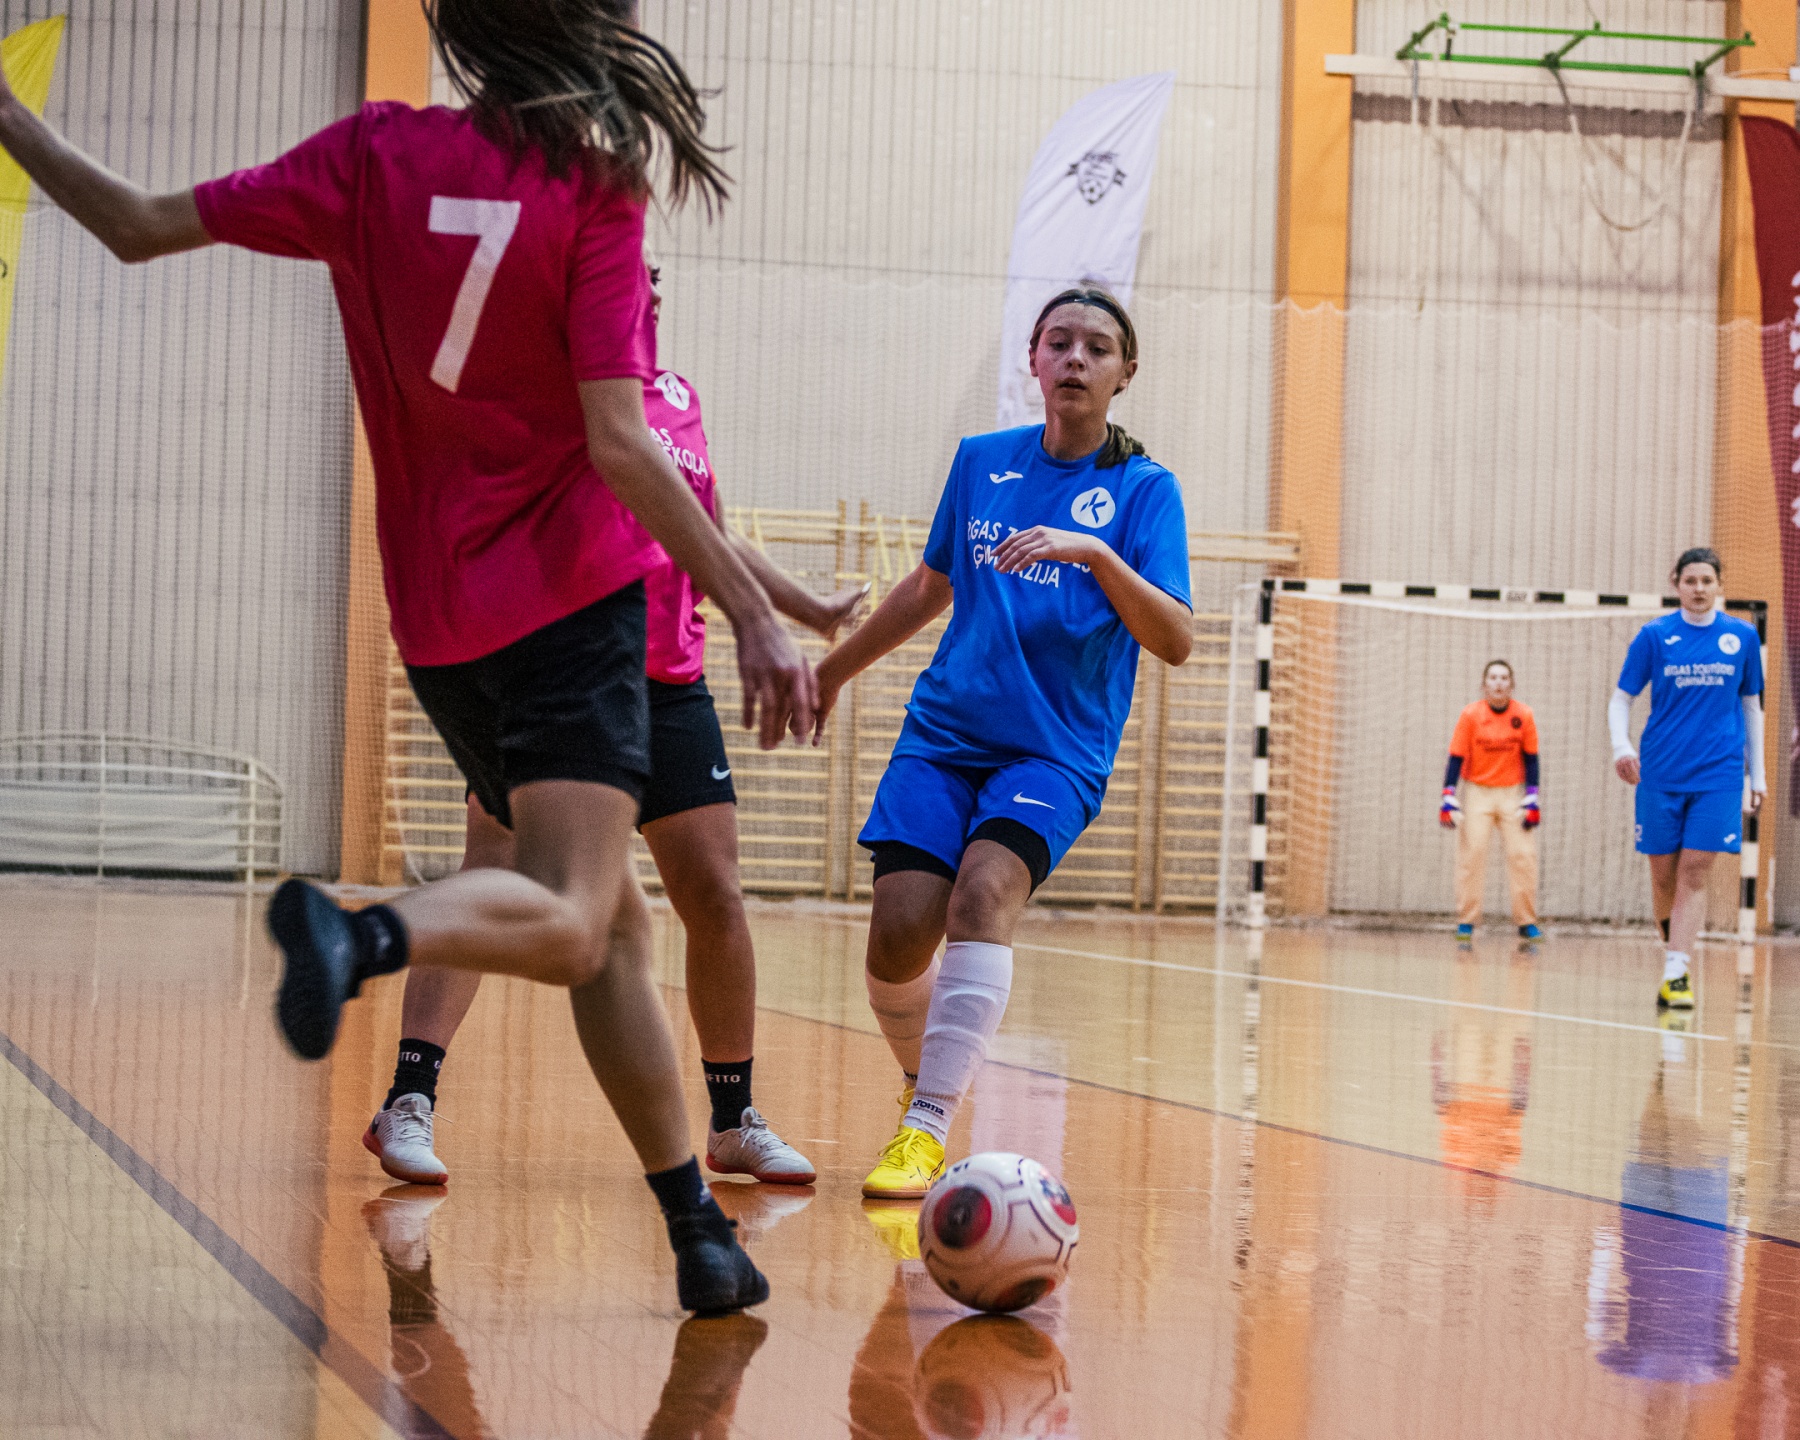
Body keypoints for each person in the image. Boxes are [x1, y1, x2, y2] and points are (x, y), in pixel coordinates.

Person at [0, 0, 817, 1315]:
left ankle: (696, 1233)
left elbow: (136, 224)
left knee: (611, 924)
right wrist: (757, 613)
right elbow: (620, 440)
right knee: (570, 917)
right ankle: (358, 930)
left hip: (439, 623)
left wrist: (10, 117)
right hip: (570, 606)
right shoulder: (592, 185)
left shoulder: (370, 155)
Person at [367, 260, 869, 1189]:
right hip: (561, 676)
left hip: (669, 680)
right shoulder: (541, 391)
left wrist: (802, 608)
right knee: (495, 874)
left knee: (715, 895)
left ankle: (734, 1120)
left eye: (653, 274)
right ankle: (409, 1097)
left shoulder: (677, 397)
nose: (647, 284)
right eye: (627, 272)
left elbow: (707, 527)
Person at [811, 287, 1193, 1199]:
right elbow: (927, 587)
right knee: (898, 935)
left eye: (1096, 347)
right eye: (1058, 342)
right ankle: (927, 1083)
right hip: (945, 735)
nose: (1075, 358)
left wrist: (1094, 554)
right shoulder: (982, 461)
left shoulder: (1145, 491)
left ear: (1124, 374)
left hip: (1054, 753)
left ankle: (926, 1125)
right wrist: (830, 673)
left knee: (982, 895)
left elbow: (1176, 637)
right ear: (1033, 359)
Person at [1610, 548, 1765, 1009]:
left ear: (1719, 585)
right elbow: (1621, 699)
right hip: (1661, 771)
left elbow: (1751, 707)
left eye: (1707, 581)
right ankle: (1673, 958)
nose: (1699, 589)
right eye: (1690, 580)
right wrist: (1622, 747)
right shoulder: (1654, 636)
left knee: (1694, 870)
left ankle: (1676, 974)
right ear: (1676, 583)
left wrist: (1757, 775)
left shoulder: (1741, 637)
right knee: (1663, 876)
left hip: (1719, 773)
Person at [1439, 660, 1542, 941]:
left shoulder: (1524, 715)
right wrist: (1448, 794)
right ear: (1484, 684)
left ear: (1512, 684)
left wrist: (1532, 796)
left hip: (1513, 794)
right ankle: (1466, 921)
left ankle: (1526, 922)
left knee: (1523, 856)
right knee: (1471, 855)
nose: (1498, 683)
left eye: (1504, 678)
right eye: (1493, 678)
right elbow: (1456, 756)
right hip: (1477, 792)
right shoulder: (1471, 715)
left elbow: (1531, 757)